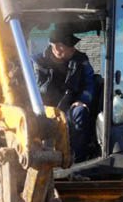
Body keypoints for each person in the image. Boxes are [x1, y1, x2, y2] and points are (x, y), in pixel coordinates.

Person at [34, 25, 96, 162]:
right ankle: (39, 158)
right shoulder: (37, 62)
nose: (73, 49)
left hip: (70, 106)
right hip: (43, 108)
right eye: (69, 45)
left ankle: (76, 159)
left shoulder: (81, 60)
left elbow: (89, 83)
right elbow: (35, 89)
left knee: (80, 112)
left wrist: (83, 100)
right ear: (56, 47)